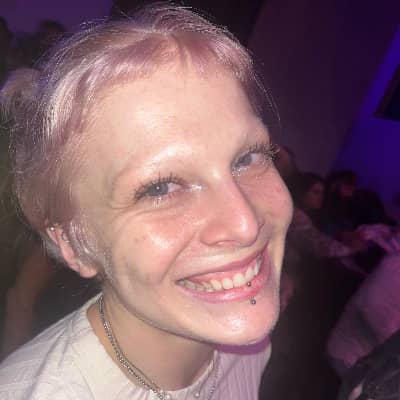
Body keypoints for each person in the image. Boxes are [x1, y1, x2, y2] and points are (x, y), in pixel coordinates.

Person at [0, 4, 293, 400]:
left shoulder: (245, 342)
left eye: (248, 158)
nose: (244, 223)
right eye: (160, 188)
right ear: (72, 243)